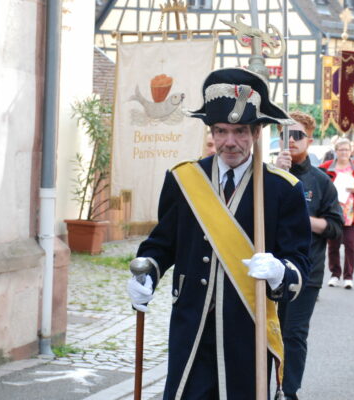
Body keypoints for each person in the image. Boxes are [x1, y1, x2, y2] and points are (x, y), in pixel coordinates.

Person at [126, 68, 312, 400]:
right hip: (191, 328)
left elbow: (299, 264)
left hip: (247, 333)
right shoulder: (184, 180)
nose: (229, 142)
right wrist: (148, 271)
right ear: (211, 131)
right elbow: (163, 243)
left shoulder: (283, 190)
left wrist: (279, 271)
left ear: (256, 132)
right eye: (221, 131)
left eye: (240, 131)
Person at [274, 111, 343, 400]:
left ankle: (289, 390)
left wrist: (305, 220)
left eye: (297, 135)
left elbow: (336, 227)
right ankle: (265, 384)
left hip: (307, 272)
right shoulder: (268, 175)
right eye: (285, 135)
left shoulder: (321, 182)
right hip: (271, 269)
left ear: (309, 140)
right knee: (267, 332)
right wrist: (276, 174)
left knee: (294, 333)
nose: (291, 140)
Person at [320, 138, 354, 289]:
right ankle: (335, 274)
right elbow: (318, 183)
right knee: (333, 245)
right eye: (341, 150)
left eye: (347, 150)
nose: (344, 153)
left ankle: (348, 276)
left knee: (350, 244)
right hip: (333, 213)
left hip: (352, 214)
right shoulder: (326, 167)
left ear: (351, 151)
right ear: (335, 151)